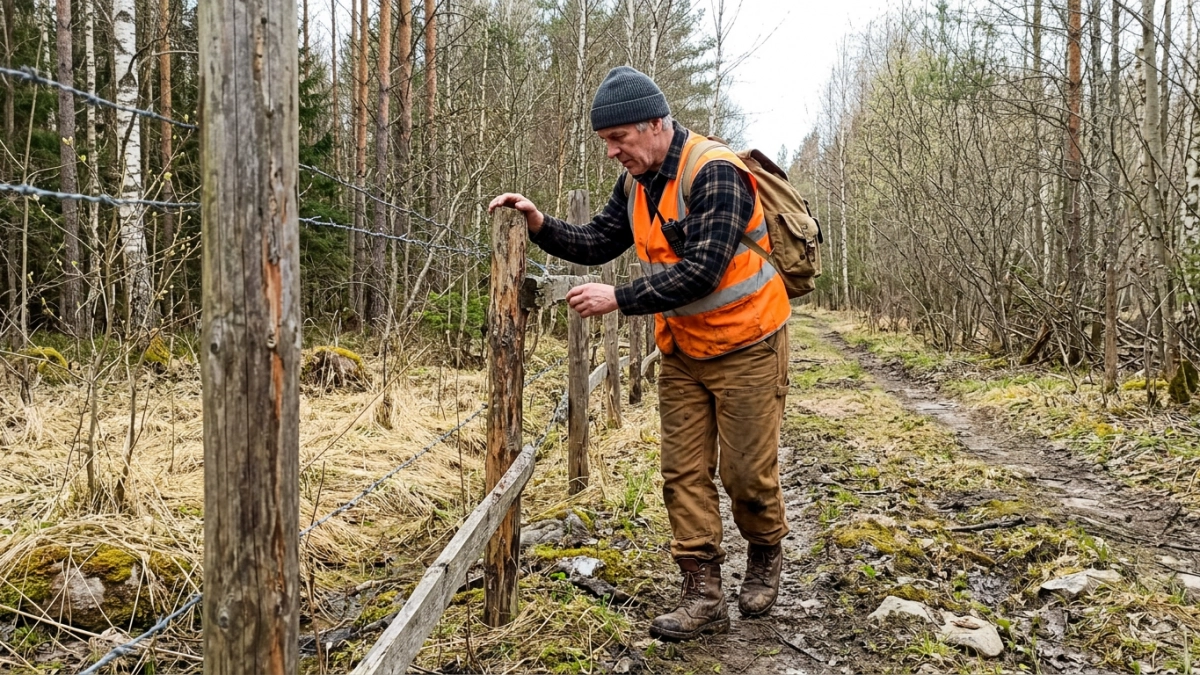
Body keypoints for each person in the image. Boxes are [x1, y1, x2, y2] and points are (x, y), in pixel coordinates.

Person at [488, 65, 791, 641]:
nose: (611, 152)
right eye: (605, 141)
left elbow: (703, 271)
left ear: (656, 124)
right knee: (681, 473)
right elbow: (599, 240)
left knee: (746, 475)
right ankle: (702, 594)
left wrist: (619, 298)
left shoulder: (715, 172)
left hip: (748, 343)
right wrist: (539, 223)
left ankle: (764, 549)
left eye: (618, 138)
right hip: (683, 349)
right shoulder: (636, 182)